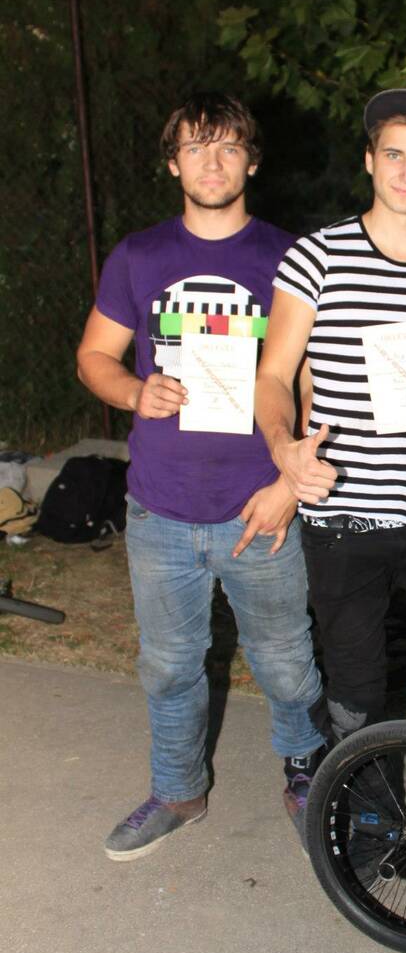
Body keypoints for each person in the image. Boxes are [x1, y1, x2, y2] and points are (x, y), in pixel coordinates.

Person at [77, 92, 328, 860]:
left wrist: (289, 484)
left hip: (260, 506)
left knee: (286, 661)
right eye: (194, 147)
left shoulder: (292, 258)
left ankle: (309, 778)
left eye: (227, 147)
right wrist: (133, 391)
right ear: (173, 163)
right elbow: (94, 357)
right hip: (160, 509)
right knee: (168, 666)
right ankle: (178, 791)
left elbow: (316, 383)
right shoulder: (140, 256)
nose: (211, 162)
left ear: (252, 161)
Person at [255, 87, 406, 745]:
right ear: (369, 160)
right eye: (394, 154)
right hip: (344, 512)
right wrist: (284, 449)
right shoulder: (315, 257)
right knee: (357, 691)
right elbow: (273, 376)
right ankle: (358, 805)